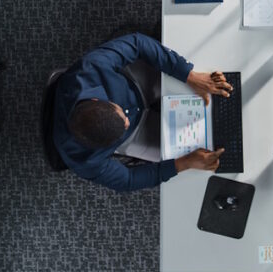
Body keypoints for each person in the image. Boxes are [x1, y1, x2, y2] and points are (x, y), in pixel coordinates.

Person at [54, 33, 230, 192]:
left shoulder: (91, 69)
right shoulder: (83, 161)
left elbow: (137, 43)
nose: (127, 122)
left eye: (121, 115)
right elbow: (129, 180)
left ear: (96, 100)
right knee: (189, 153)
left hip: (135, 84)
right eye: (123, 126)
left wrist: (189, 76)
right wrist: (184, 163)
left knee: (198, 78)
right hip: (135, 134)